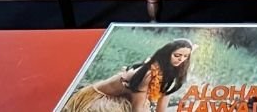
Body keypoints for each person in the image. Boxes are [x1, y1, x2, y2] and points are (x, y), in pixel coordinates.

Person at [62, 39, 194, 112]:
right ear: (167, 54)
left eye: (185, 56)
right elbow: (137, 108)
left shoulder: (170, 74)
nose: (181, 59)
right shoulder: (148, 74)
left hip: (125, 99)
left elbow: (162, 106)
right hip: (98, 100)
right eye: (177, 55)